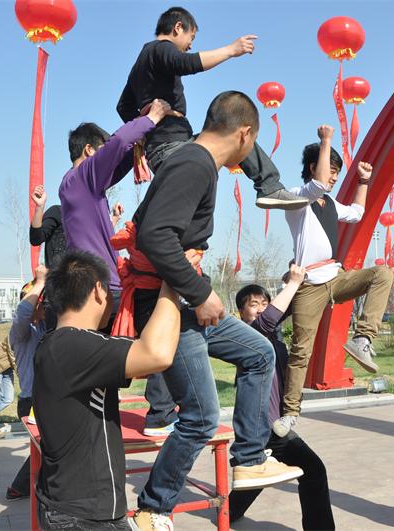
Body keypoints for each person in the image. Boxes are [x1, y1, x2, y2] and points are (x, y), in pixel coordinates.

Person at [129, 91, 303, 530]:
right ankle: (153, 508)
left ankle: (248, 459)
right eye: (254, 143)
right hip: (171, 303)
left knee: (259, 353)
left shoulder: (198, 164)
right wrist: (200, 292)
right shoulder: (193, 163)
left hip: (186, 298)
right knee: (202, 416)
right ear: (245, 134)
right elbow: (154, 234)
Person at [33, 251, 181, 531]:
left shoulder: (60, 344)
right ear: (98, 290)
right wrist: (173, 279)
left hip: (73, 509)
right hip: (83, 518)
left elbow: (141, 364)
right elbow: (157, 354)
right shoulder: (73, 345)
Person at [59, 112, 179, 437]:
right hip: (102, 287)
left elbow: (119, 160)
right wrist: (150, 117)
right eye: (100, 153)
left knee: (99, 363)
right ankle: (161, 413)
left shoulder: (81, 189)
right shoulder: (81, 179)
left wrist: (134, 149)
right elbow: (119, 143)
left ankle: (91, 422)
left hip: (95, 285)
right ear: (87, 152)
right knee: (158, 329)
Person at [116, 6, 307, 210]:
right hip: (172, 148)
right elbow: (184, 63)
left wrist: (146, 121)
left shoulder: (140, 64)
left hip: (164, 150)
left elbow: (123, 107)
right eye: (192, 37)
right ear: (178, 27)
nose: (190, 45)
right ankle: (269, 187)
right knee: (235, 130)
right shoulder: (161, 47)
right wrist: (231, 50)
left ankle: (269, 187)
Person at [273, 125, 394, 437]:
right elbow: (314, 185)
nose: (333, 179)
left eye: (337, 174)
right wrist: (326, 140)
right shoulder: (296, 199)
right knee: (301, 351)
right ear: (314, 167)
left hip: (336, 276)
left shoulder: (330, 204)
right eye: (330, 172)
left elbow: (355, 213)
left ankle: (363, 338)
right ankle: (289, 413)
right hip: (309, 284)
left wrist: (364, 182)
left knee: (382, 273)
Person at [229, 265, 336, 530]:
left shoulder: (272, 337)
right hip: (263, 425)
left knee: (256, 473)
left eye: (265, 302)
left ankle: (228, 511)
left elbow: (284, 310)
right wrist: (294, 283)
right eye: (254, 304)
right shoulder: (249, 336)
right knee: (313, 470)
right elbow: (268, 319)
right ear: (241, 313)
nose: (262, 308)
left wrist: (301, 280)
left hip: (267, 425)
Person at [5, 266, 48, 501]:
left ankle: (23, 487)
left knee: (48, 448)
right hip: (31, 401)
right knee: (49, 448)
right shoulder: (22, 332)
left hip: (44, 400)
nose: (42, 306)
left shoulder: (43, 327)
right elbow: (22, 313)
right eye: (39, 302)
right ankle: (22, 487)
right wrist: (40, 282)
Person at [30, 184, 67, 270]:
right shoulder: (58, 212)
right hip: (58, 279)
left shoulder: (92, 219)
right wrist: (39, 207)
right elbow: (36, 239)